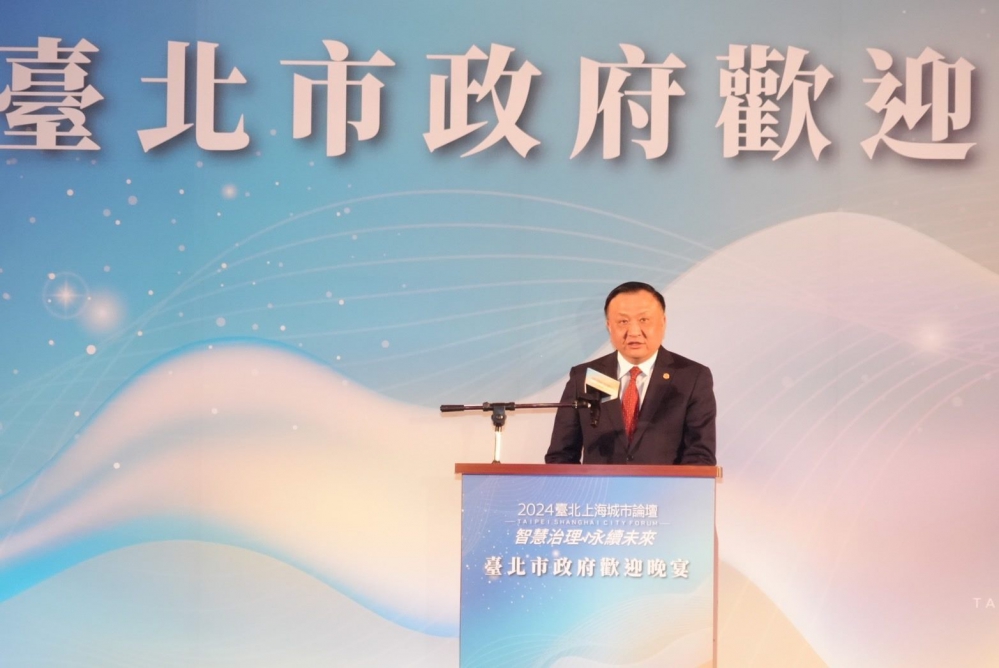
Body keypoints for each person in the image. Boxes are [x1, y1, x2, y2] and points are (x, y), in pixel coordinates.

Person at [545, 281, 716, 465]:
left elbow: (700, 456)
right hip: (599, 485)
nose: (634, 332)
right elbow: (560, 456)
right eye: (623, 322)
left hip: (663, 485)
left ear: (663, 322)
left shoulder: (691, 377)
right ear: (609, 326)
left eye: (644, 320)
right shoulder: (585, 376)